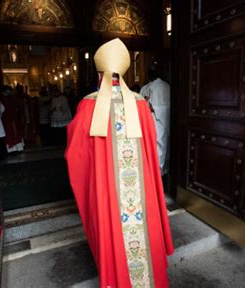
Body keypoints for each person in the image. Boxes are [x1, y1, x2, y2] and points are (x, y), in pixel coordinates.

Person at [65, 38, 173, 288]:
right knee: (144, 231)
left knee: (112, 229)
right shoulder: (140, 104)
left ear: (99, 73)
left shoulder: (88, 104)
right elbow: (151, 142)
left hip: (108, 193)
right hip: (141, 193)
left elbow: (75, 154)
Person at [140, 64, 171, 176]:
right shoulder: (144, 88)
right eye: (150, 71)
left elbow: (168, 106)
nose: (151, 73)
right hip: (147, 121)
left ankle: (159, 173)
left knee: (160, 147)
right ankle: (149, 172)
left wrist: (154, 108)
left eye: (153, 70)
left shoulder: (165, 87)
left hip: (159, 122)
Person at [0, 85, 25, 152]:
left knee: (15, 133)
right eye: (9, 90)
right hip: (7, 120)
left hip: (13, 118)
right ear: (6, 91)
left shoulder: (11, 98)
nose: (10, 92)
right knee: (9, 134)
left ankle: (17, 148)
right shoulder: (2, 99)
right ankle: (11, 150)